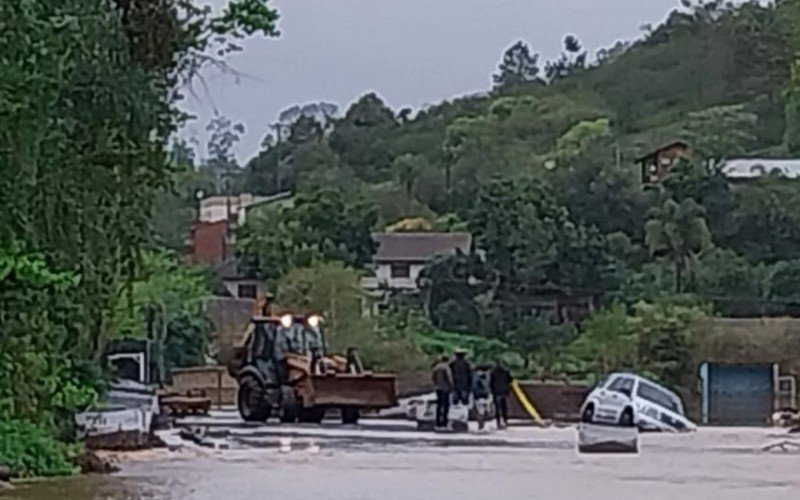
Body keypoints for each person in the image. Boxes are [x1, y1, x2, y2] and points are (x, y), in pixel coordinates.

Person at [431, 355, 453, 428]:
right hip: (445, 388)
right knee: (446, 405)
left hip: (438, 388)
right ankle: (444, 421)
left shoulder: (436, 367)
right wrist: (451, 386)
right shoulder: (446, 367)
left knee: (439, 404)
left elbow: (433, 377)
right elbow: (449, 377)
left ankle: (437, 421)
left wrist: (436, 384)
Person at [490, 360, 513, 429]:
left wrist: (492, 390)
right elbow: (510, 380)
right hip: (504, 391)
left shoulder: (493, 372)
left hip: (496, 392)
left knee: (497, 408)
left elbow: (491, 382)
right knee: (504, 407)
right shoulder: (506, 371)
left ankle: (498, 422)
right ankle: (505, 421)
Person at [472, 366, 491, 430]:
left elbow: (474, 387)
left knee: (480, 412)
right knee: (485, 411)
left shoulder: (475, 377)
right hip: (486, 395)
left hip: (478, 396)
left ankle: (480, 425)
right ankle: (482, 425)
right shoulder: (487, 376)